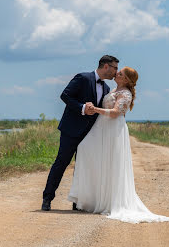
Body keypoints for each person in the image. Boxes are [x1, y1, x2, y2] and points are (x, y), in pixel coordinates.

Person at [68, 67, 169, 224]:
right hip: (101, 127)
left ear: (125, 79)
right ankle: (90, 198)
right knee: (84, 149)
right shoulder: (114, 89)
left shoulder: (125, 93)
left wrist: (95, 109)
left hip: (113, 130)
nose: (116, 73)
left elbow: (116, 112)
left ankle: (108, 201)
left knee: (111, 162)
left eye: (120, 73)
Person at [42, 55, 119, 211]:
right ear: (106, 66)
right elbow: (65, 95)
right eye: (115, 68)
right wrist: (82, 107)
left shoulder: (106, 89)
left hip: (90, 134)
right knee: (61, 163)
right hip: (71, 130)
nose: (116, 72)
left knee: (83, 167)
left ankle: (78, 202)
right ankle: (47, 199)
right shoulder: (83, 78)